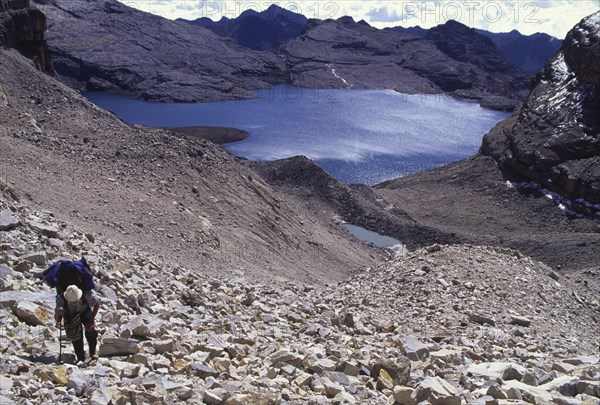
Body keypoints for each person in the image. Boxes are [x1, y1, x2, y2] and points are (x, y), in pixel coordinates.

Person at [54, 284, 100, 363]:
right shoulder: (61, 299)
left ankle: (93, 353)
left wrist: (91, 319)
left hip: (84, 312)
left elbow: (97, 303)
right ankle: (80, 358)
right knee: (75, 335)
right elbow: (57, 318)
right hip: (71, 315)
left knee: (91, 330)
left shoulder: (86, 295)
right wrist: (58, 314)